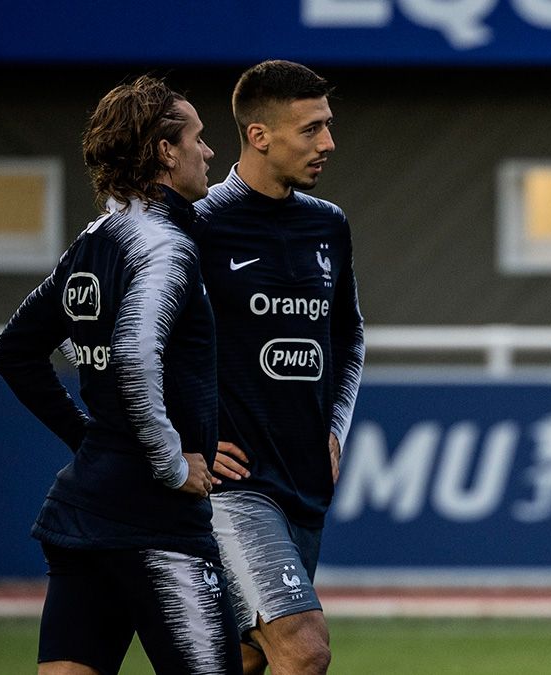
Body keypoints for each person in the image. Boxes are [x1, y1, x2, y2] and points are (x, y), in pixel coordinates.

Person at [0, 75, 241, 674]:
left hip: (84, 515)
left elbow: (14, 350)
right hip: (153, 522)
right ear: (164, 150)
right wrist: (172, 463)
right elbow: (134, 356)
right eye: (198, 139)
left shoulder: (93, 240)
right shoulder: (164, 247)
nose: (208, 152)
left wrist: (90, 441)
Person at [192, 60, 365, 674]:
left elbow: (349, 335)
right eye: (311, 129)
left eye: (328, 125)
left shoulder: (328, 224)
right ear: (259, 136)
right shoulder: (199, 225)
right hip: (236, 487)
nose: (328, 143)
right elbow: (140, 345)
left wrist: (335, 429)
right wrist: (185, 441)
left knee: (242, 659)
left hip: (305, 479)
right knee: (303, 647)